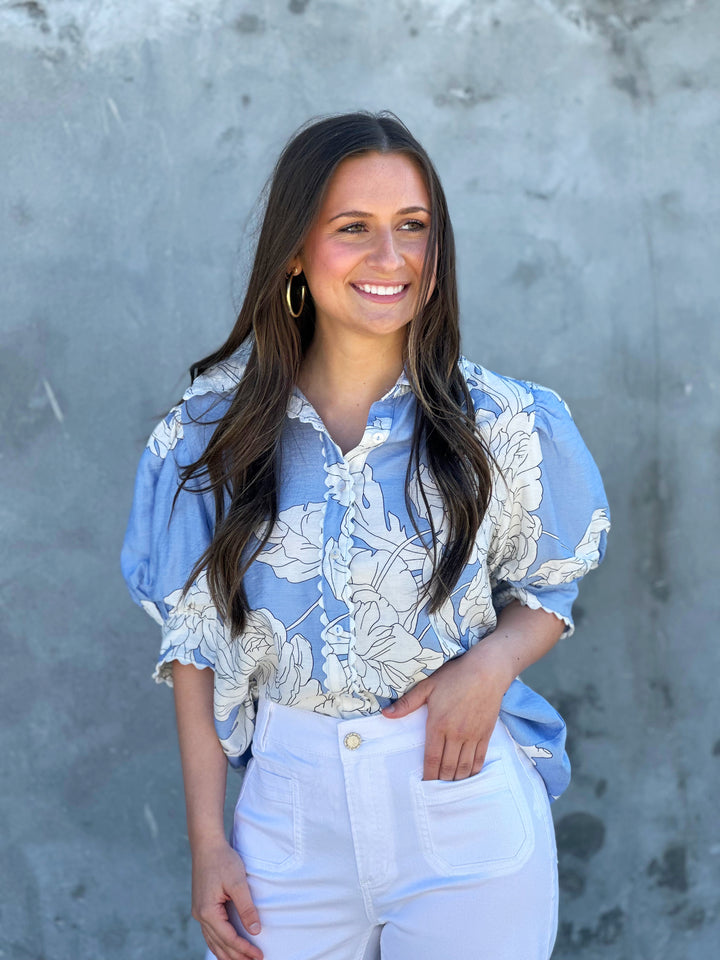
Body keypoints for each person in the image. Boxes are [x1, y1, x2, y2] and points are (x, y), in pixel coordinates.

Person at [121, 111, 610, 960]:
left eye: (413, 228)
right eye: (354, 229)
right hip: (286, 818)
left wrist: (490, 666)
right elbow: (195, 649)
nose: (392, 259)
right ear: (295, 253)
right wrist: (209, 842)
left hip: (459, 801)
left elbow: (549, 591)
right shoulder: (206, 434)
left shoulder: (507, 421)